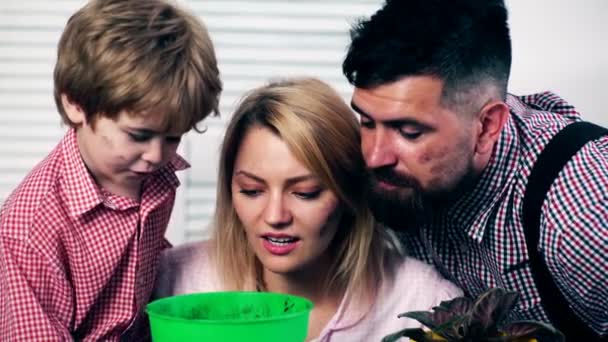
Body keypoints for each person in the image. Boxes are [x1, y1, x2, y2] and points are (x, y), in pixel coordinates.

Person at [342, 0, 608, 339]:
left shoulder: (581, 215)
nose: (375, 156)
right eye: (365, 121)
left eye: (410, 132)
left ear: (486, 127)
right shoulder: (399, 176)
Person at [153, 78, 461, 341]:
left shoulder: (427, 305)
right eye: (252, 190)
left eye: (305, 193)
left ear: (348, 194)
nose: (275, 216)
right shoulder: (171, 280)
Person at [0, 0, 222, 340]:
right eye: (139, 135)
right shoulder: (28, 231)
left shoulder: (149, 173)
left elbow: (140, 267)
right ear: (75, 104)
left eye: (174, 137)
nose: (156, 155)